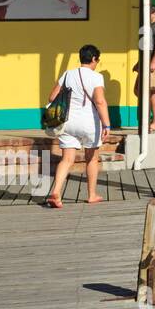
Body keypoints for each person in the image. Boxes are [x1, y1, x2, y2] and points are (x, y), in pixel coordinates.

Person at [44, 44, 110, 208]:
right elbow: (100, 101)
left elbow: (52, 96)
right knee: (92, 158)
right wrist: (107, 124)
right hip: (89, 123)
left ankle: (56, 192)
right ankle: (92, 195)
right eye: (97, 60)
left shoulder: (67, 74)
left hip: (67, 122)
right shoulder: (96, 77)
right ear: (94, 59)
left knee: (66, 159)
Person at [135, 5, 155, 131]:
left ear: (153, 13)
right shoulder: (145, 27)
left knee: (151, 92)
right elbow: (144, 47)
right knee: (138, 90)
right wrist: (139, 62)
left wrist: (153, 62)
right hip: (145, 64)